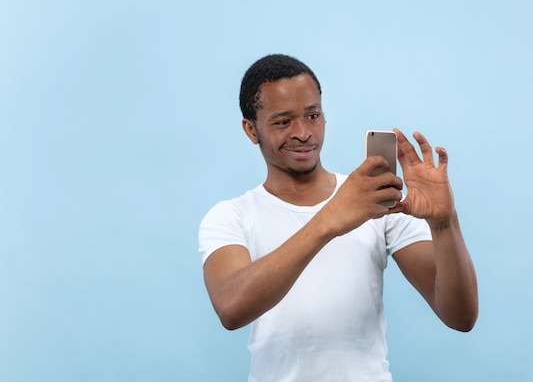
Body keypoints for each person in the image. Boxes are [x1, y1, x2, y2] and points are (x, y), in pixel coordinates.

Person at [199, 54, 478, 381]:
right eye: (283, 121)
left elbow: (460, 317)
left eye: (312, 115)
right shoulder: (231, 216)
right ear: (251, 129)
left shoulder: (375, 201)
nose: (303, 133)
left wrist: (445, 223)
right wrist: (329, 219)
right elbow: (231, 308)